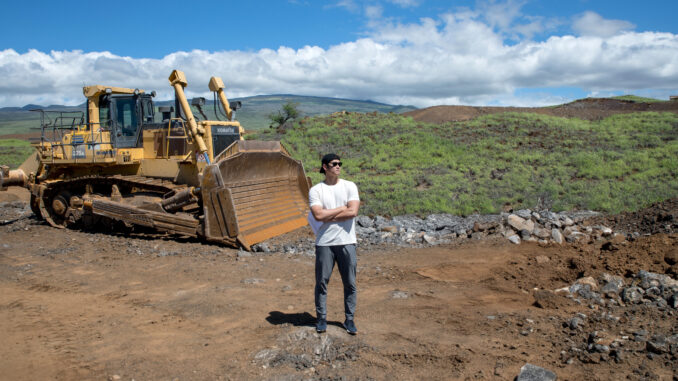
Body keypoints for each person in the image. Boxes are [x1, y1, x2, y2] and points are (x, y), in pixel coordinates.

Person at [308, 153, 360, 335]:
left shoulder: (349, 186)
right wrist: (340, 208)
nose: (338, 166)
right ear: (324, 167)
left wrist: (328, 214)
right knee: (321, 282)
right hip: (324, 243)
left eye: (340, 163)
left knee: (350, 283)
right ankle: (321, 318)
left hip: (347, 241)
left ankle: (349, 319)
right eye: (334, 164)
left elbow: (353, 212)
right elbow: (318, 216)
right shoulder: (316, 190)